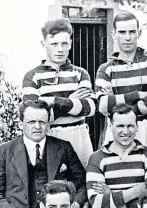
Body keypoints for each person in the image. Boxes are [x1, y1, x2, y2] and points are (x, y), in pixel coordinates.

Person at [22, 18, 96, 166]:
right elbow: (34, 115)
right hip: (49, 137)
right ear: (44, 44)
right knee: (53, 185)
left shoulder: (80, 74)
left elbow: (89, 108)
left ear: (70, 43)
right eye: (54, 44)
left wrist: (54, 102)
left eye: (64, 43)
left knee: (82, 182)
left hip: (79, 137)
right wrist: (72, 101)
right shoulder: (32, 76)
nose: (60, 49)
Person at [96, 11, 147, 154]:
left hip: (146, 130)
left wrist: (115, 101)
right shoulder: (106, 69)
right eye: (122, 32)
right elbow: (103, 106)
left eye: (132, 32)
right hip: (118, 129)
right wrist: (138, 95)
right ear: (113, 34)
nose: (127, 38)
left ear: (138, 33)